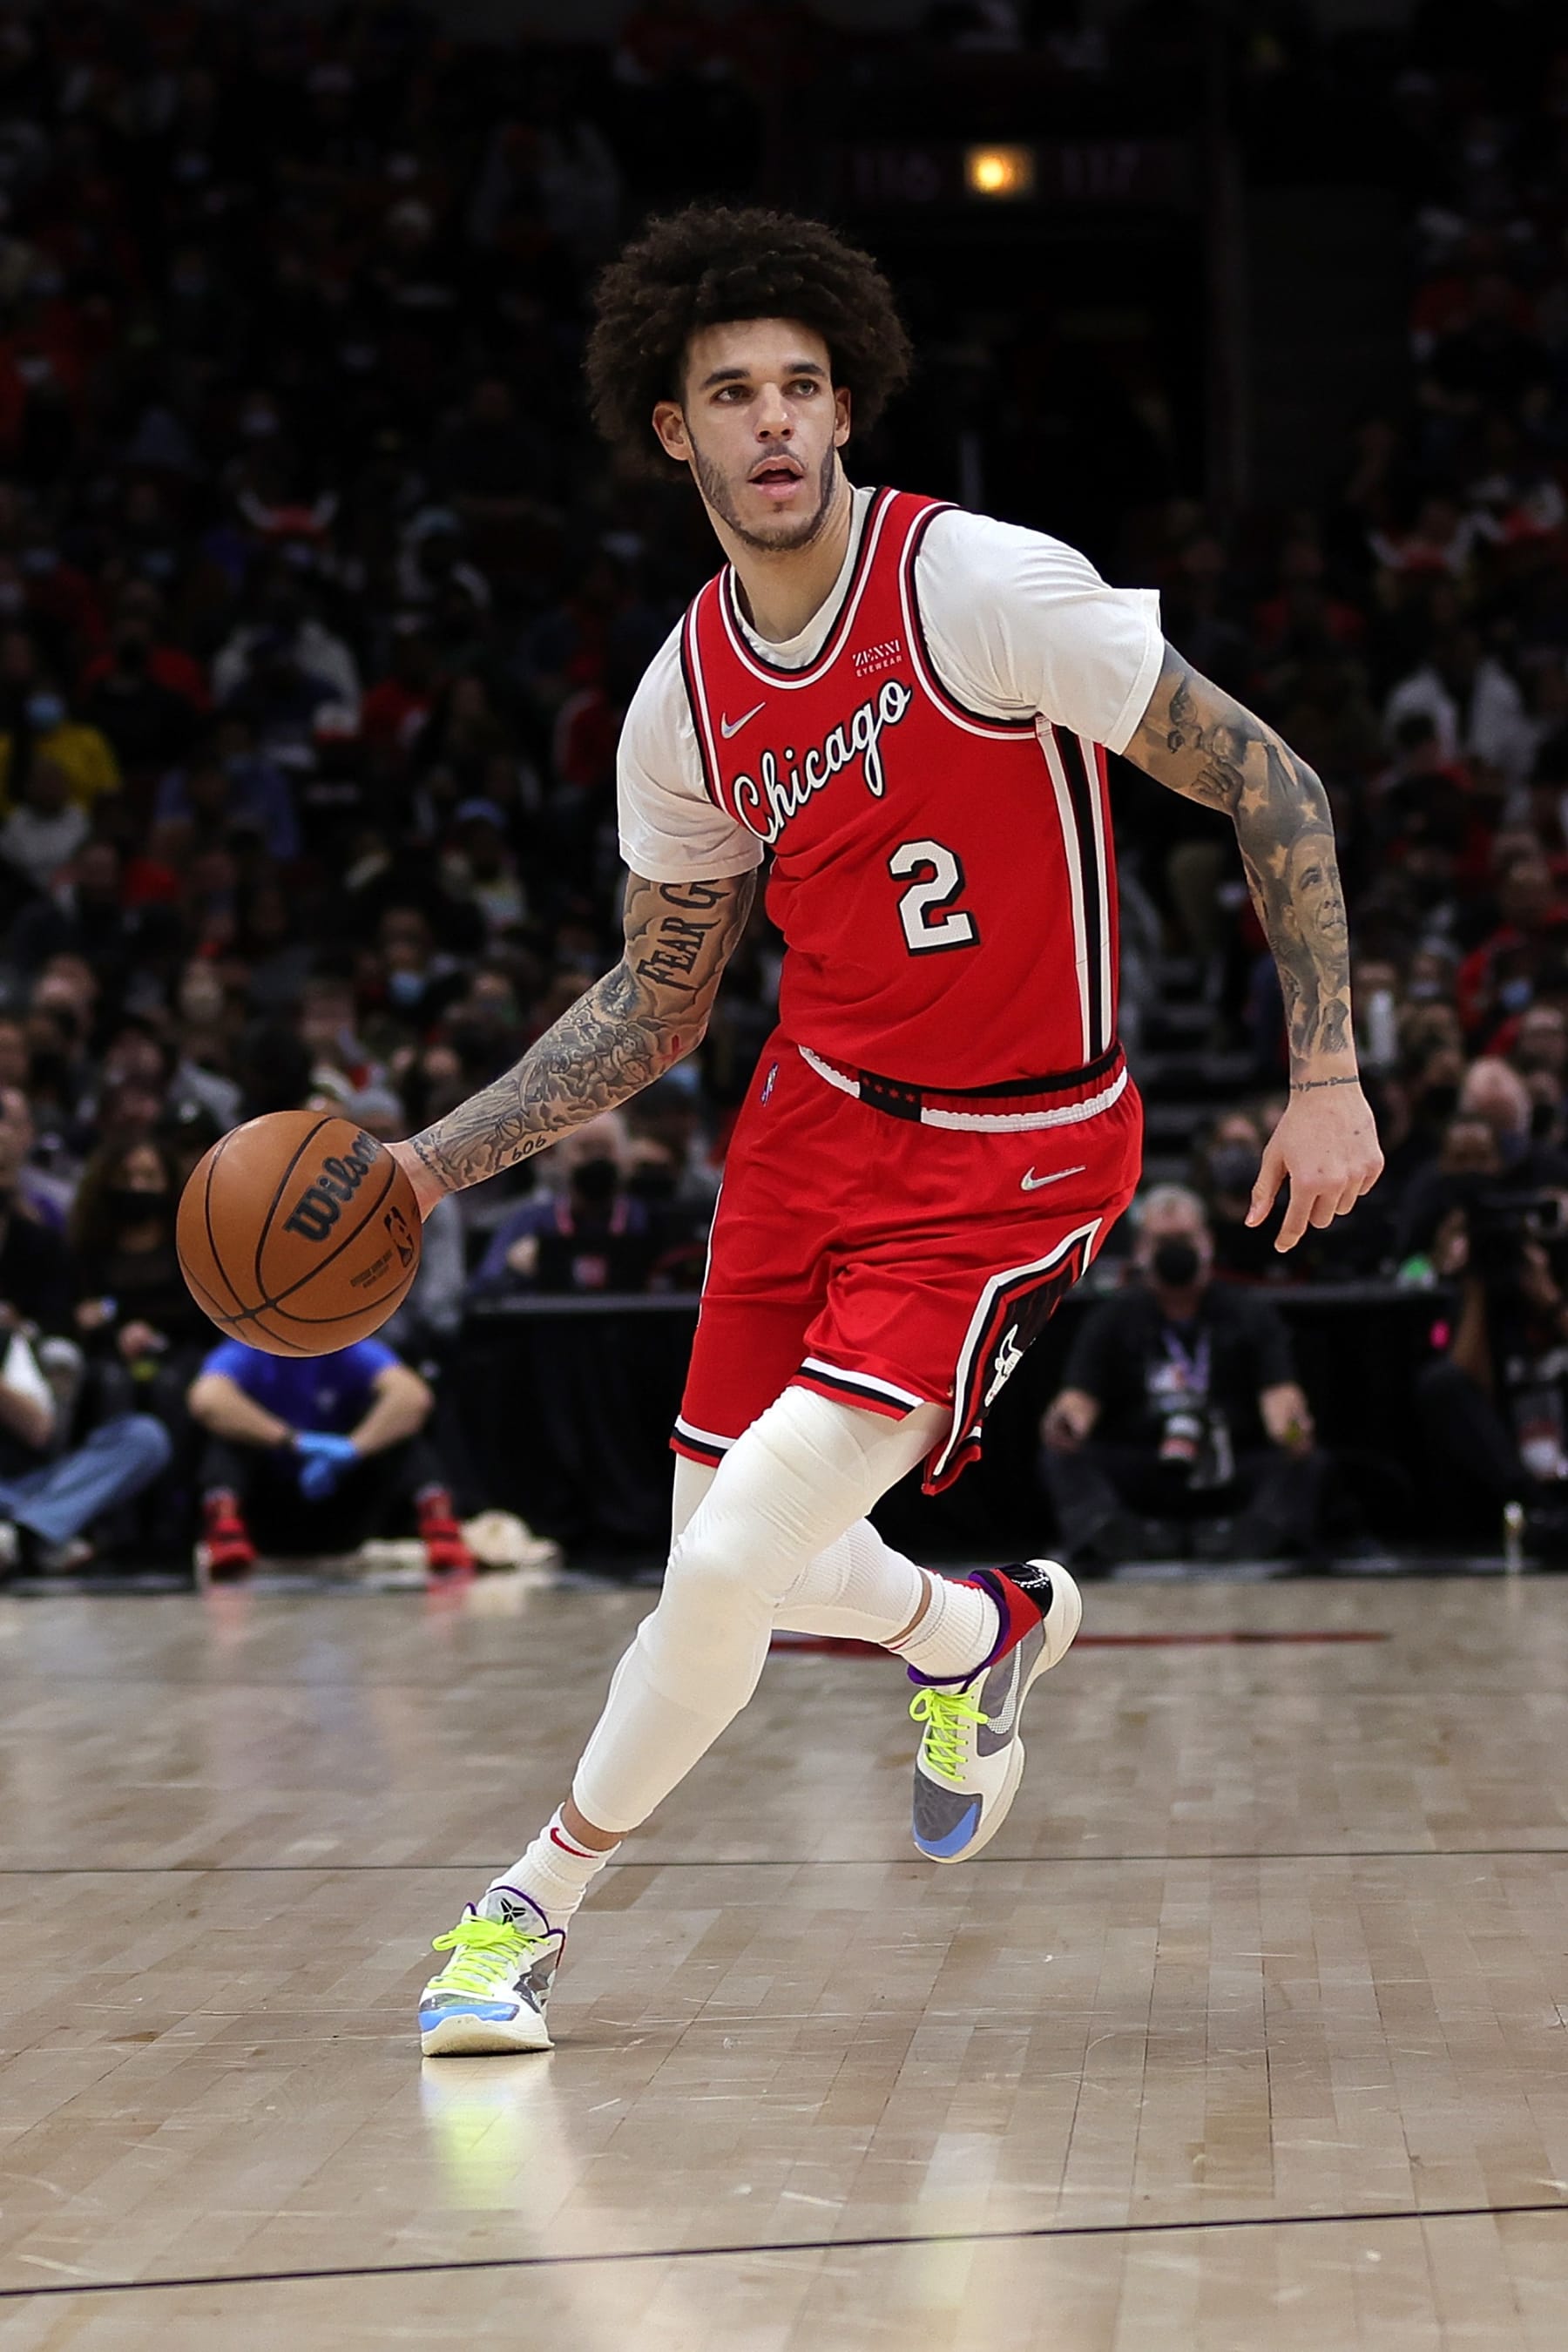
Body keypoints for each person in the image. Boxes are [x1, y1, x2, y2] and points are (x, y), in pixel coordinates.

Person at [387, 206, 1381, 2056]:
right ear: (673, 431)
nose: (772, 424)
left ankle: (525, 1905)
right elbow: (660, 1004)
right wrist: (422, 1167)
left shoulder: (984, 589)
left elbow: (1274, 781)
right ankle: (973, 1628)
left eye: (800, 389)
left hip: (1014, 1155)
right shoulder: (684, 699)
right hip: (810, 1127)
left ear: (844, 406)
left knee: (732, 1548)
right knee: (736, 1568)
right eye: (729, 396)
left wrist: (1328, 1075)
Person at [1038, 1186, 1328, 1565]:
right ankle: (1114, 1536)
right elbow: (1079, 1403)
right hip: (1146, 1461)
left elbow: (1281, 1405)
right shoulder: (1113, 1318)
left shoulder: (1248, 1313)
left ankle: (1250, 1537)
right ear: (1141, 1248)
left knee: (1304, 1462)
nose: (1175, 1250)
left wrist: (1293, 1430)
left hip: (1227, 1461)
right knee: (1062, 1459)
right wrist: (1064, 1425)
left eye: (1185, 1239)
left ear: (1206, 1241)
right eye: (1162, 1241)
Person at [186, 1335, 476, 1583]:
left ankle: (440, 1525)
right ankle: (224, 1527)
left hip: (345, 1505)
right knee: (227, 1438)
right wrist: (291, 1441)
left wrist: (355, 1448)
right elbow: (207, 1398)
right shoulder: (249, 1348)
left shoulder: (350, 1348)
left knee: (401, 1436)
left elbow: (413, 1397)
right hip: (271, 1512)